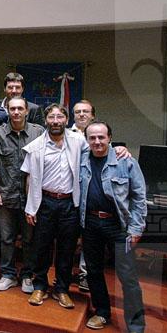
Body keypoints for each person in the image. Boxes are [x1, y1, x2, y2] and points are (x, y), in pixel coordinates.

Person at [80, 121, 146, 333]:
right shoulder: (81, 159)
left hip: (118, 226)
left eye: (101, 137)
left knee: (128, 276)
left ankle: (136, 325)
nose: (97, 141)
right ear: (87, 140)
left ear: (110, 138)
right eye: (92, 138)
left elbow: (139, 197)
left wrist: (136, 228)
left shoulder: (126, 161)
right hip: (90, 224)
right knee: (93, 271)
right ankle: (102, 312)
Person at [22, 103, 86, 309]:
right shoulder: (36, 146)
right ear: (45, 120)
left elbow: (98, 150)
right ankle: (40, 286)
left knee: (67, 249)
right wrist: (31, 207)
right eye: (51, 117)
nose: (56, 121)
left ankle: (62, 289)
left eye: (60, 117)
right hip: (45, 202)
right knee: (42, 247)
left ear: (66, 120)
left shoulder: (79, 141)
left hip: (69, 203)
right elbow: (29, 179)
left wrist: (118, 149)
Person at [0, 97, 43, 293]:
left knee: (29, 239)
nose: (16, 112)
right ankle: (8, 275)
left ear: (27, 111)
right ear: (8, 111)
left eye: (20, 108)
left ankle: (27, 275)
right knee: (6, 238)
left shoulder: (38, 132)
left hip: (31, 197)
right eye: (12, 109)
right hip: (7, 194)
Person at [70, 99, 96, 292]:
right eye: (78, 111)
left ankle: (85, 274)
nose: (81, 114)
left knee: (89, 237)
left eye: (85, 111)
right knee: (67, 236)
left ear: (92, 115)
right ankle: (63, 273)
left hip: (90, 194)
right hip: (69, 193)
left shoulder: (98, 135)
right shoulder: (64, 134)